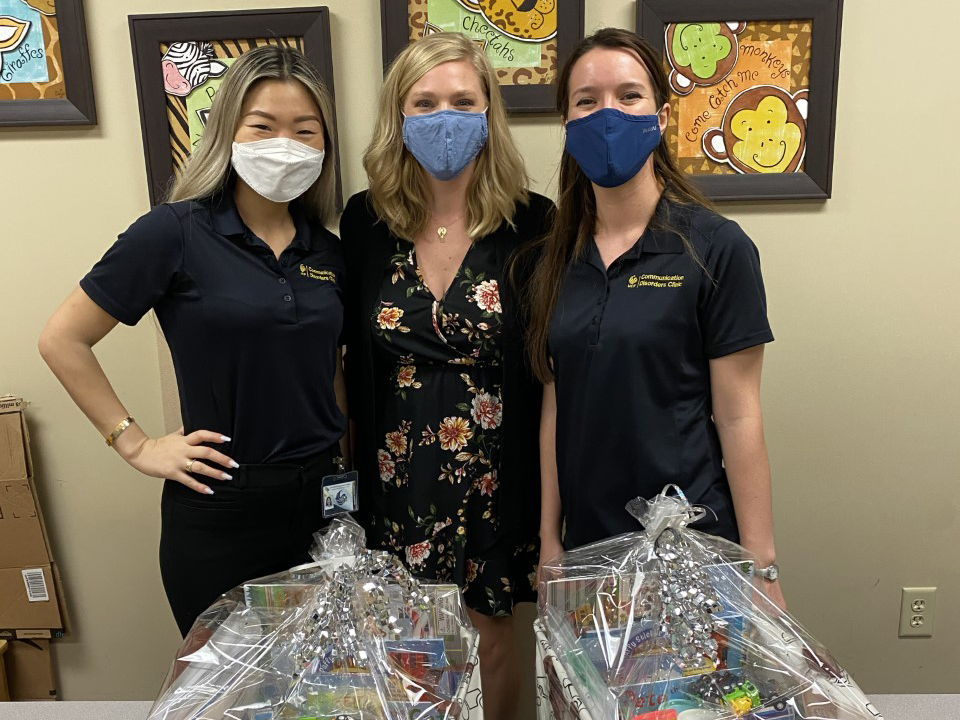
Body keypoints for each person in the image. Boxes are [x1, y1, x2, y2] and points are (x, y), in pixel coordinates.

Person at [38, 46, 348, 636]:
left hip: (323, 504)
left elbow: (327, 371)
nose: (285, 143)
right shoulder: (173, 232)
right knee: (231, 689)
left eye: (305, 130)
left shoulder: (328, 251)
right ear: (227, 131)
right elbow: (63, 339)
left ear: (324, 146)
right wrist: (133, 444)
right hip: (221, 507)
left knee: (323, 685)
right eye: (263, 125)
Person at [528, 28, 786, 608]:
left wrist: (761, 568)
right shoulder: (555, 258)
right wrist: (549, 539)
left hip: (687, 546)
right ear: (567, 124)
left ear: (663, 116)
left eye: (629, 95)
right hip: (587, 549)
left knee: (680, 702)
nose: (608, 114)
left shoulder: (715, 247)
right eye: (587, 101)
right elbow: (555, 399)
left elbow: (739, 414)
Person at [339, 32, 552, 719]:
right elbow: (341, 355)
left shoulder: (533, 223)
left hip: (494, 474)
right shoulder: (365, 221)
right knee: (408, 646)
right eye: (424, 102)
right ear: (399, 118)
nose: (444, 117)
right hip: (395, 474)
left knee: (491, 639)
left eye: (463, 100)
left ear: (489, 111)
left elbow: (551, 370)